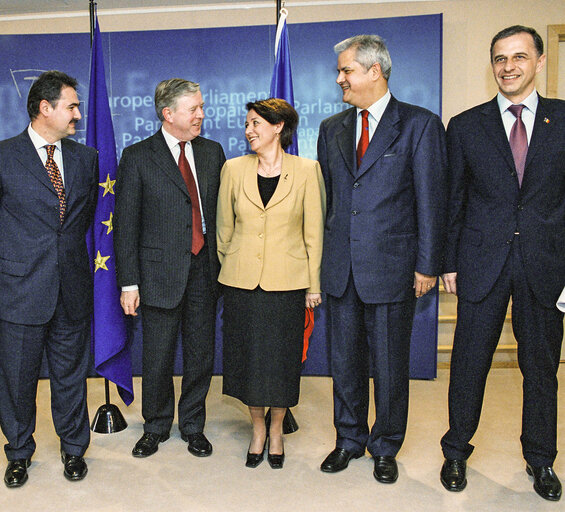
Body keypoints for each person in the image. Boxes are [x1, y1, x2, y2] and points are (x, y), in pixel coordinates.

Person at [439, 25, 565, 502]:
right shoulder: (466, 125)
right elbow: (454, 200)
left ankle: (541, 460)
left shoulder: (563, 119)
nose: (508, 66)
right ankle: (454, 452)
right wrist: (449, 260)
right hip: (480, 262)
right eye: (499, 58)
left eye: (518, 57)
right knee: (469, 365)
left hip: (546, 264)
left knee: (541, 370)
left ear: (538, 62)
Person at [317, 34, 447, 483]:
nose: (340, 80)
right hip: (341, 268)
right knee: (344, 362)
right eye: (340, 72)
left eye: (346, 70)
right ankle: (348, 439)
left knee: (390, 365)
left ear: (375, 71)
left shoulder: (419, 124)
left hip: (393, 267)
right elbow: (333, 202)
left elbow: (432, 200)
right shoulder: (331, 128)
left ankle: (385, 444)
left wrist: (428, 264)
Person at [0, 70, 97, 486]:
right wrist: (10, 262)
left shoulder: (85, 158)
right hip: (19, 290)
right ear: (46, 108)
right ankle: (19, 453)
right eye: (71, 106)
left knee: (71, 378)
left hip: (72, 289)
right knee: (18, 382)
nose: (78, 113)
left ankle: (74, 450)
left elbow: (81, 221)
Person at [114, 78, 226, 458]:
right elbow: (126, 226)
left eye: (201, 107)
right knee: (158, 356)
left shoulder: (212, 152)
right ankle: (156, 426)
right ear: (168, 113)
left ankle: (193, 425)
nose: (201, 114)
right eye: (193, 108)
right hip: (157, 274)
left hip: (204, 271)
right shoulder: (137, 156)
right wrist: (128, 282)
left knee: (200, 355)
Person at [216, 98, 325, 469]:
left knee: (280, 363)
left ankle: (277, 430)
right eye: (247, 124)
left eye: (256, 123)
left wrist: (313, 285)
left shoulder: (308, 170)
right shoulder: (233, 169)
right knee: (246, 361)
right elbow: (223, 232)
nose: (249, 130)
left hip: (289, 285)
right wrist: (236, 267)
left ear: (279, 126)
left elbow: (314, 234)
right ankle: (258, 429)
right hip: (241, 284)